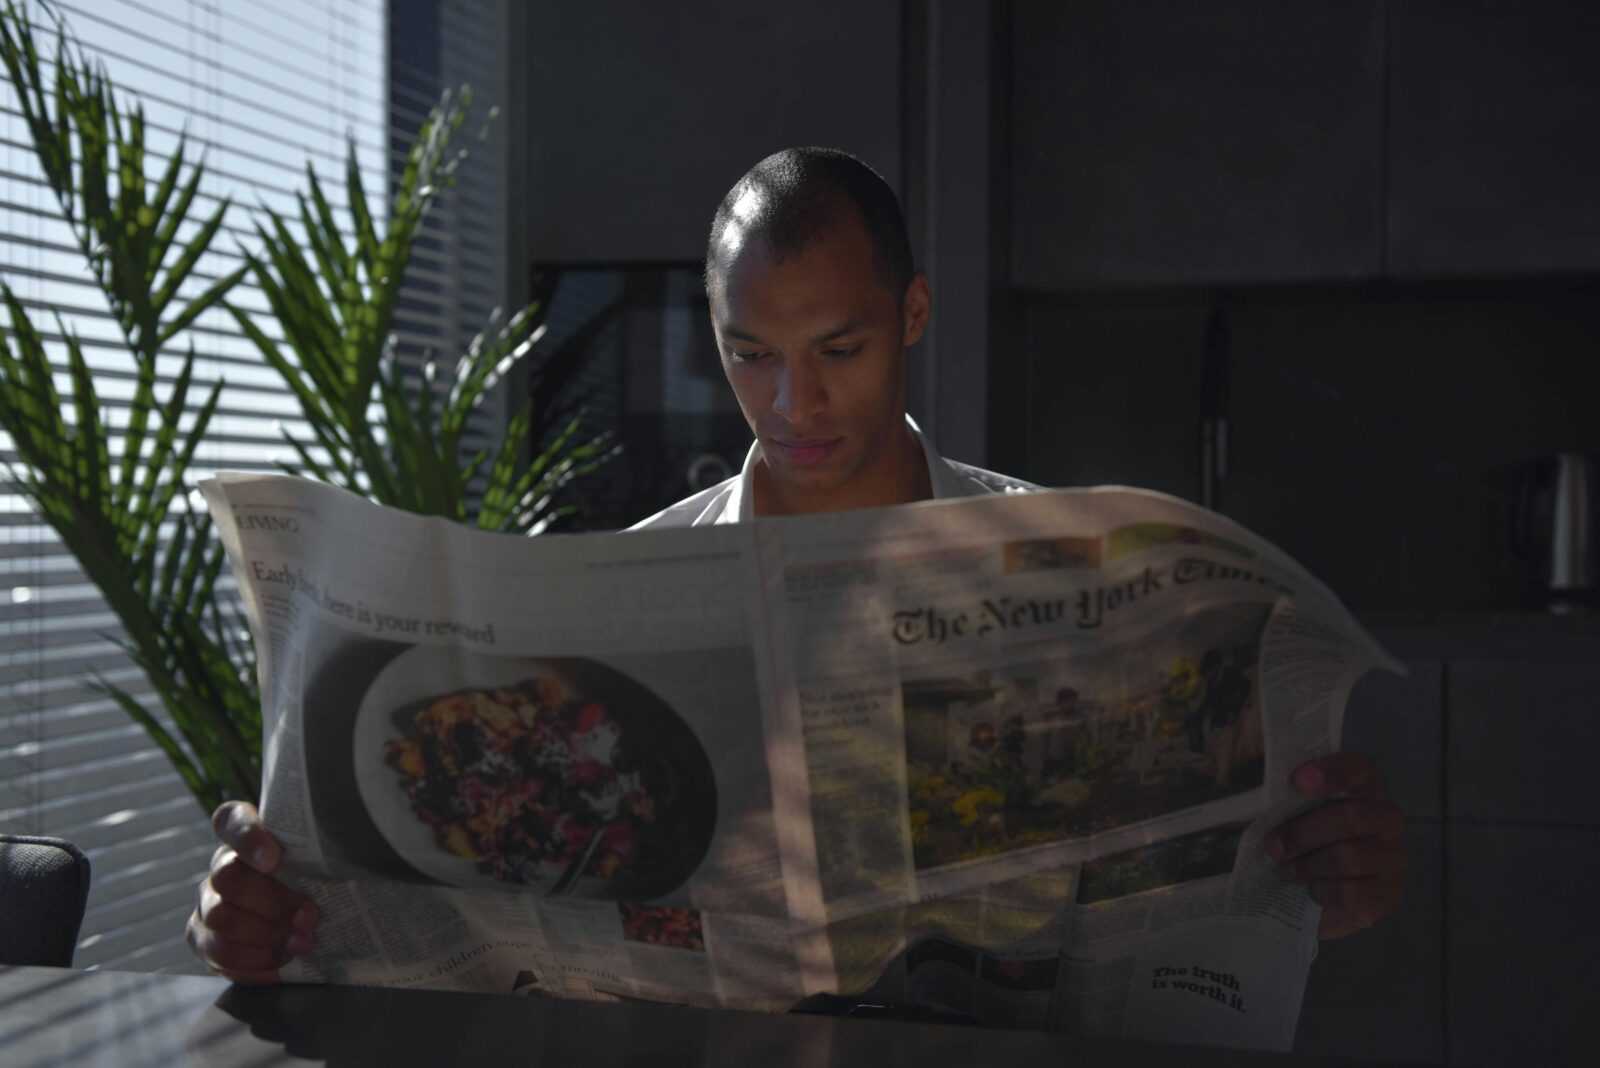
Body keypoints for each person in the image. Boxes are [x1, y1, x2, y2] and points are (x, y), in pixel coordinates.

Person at [187, 146, 1407, 983]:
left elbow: (1202, 909)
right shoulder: (627, 587)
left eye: (839, 346)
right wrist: (263, 920)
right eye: (751, 354)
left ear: (914, 315)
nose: (795, 401)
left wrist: (1313, 886)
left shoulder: (1059, 564)